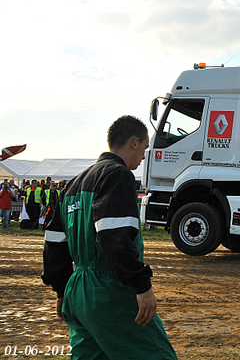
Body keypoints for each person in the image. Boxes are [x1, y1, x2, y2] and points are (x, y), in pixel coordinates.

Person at [41, 115, 177, 360]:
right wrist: (141, 284)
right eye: (145, 148)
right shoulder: (118, 175)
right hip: (110, 292)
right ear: (134, 142)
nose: (144, 156)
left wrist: (62, 290)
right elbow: (114, 238)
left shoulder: (73, 184)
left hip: (77, 293)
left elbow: (53, 243)